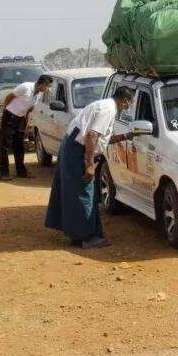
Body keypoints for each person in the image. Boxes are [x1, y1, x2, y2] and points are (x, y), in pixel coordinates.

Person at [45, 86, 134, 249]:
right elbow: (92, 136)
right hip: (77, 151)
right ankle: (88, 237)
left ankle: (77, 234)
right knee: (85, 192)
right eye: (130, 103)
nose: (128, 107)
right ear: (125, 100)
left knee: (73, 192)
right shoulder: (109, 110)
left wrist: (126, 136)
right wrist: (90, 165)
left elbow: (100, 138)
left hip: (72, 147)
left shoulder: (104, 105)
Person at [0, 74, 53, 181]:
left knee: (19, 145)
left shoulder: (38, 95)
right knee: (6, 145)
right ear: (43, 84)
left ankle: (21, 171)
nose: (48, 89)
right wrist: (5, 111)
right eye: (48, 86)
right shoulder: (25, 87)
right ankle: (4, 173)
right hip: (10, 116)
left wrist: (27, 125)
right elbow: (9, 97)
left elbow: (29, 110)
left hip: (21, 119)